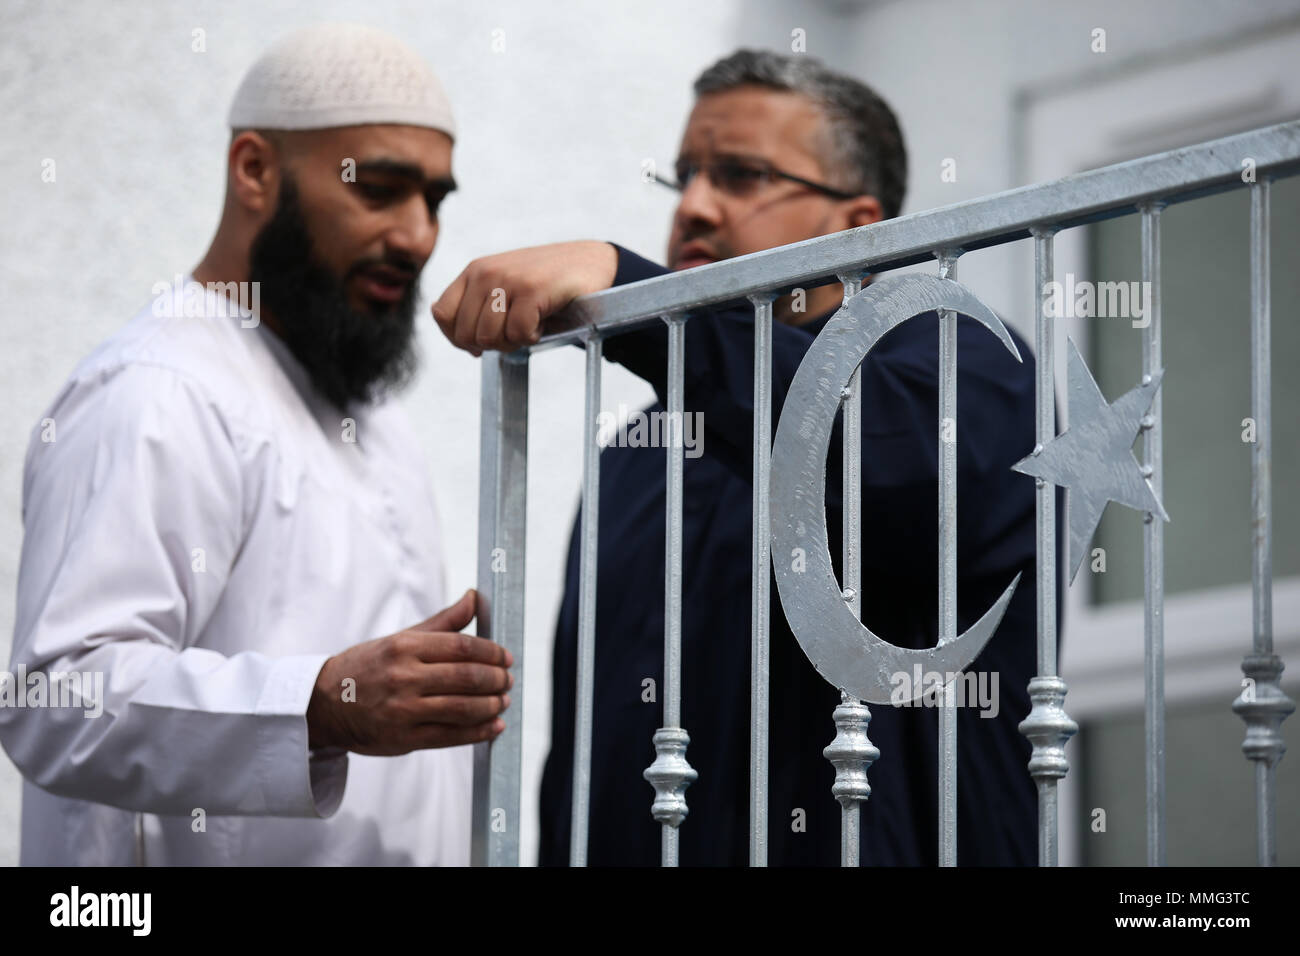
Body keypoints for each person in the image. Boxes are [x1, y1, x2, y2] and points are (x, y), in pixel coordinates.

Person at [434, 49, 1055, 866]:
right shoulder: (638, 451)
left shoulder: (968, 367)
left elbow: (874, 462)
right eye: (686, 174)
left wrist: (631, 294)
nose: (693, 206)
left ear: (857, 221)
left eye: (740, 175)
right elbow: (593, 742)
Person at [0, 23, 513, 866]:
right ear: (254, 170)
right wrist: (320, 705)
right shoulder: (159, 389)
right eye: (380, 189)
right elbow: (59, 698)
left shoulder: (373, 417)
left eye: (435, 201)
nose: (420, 234)